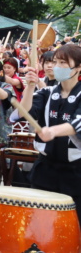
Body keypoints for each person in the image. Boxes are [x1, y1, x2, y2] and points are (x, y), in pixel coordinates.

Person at [20, 44, 81, 223]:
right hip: (45, 169)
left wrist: (53, 131)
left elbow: (77, 122)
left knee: (70, 227)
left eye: (63, 62)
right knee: (39, 223)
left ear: (78, 67)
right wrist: (30, 87)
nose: (56, 66)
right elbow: (24, 112)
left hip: (74, 173)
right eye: (55, 62)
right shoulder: (47, 92)